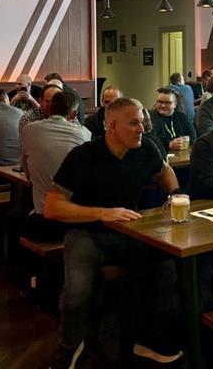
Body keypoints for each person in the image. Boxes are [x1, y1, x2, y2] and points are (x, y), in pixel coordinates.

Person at [44, 98, 183, 368]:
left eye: (142, 122)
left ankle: (144, 339)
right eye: (134, 123)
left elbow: (164, 172)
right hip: (87, 234)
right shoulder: (84, 156)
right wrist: (102, 213)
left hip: (130, 232)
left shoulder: (146, 149)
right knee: (77, 291)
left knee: (165, 268)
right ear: (112, 126)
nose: (141, 129)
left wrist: (176, 194)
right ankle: (70, 347)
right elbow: (52, 207)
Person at [21, 91, 91, 242]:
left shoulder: (29, 130)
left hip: (43, 219)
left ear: (49, 108)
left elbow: (27, 173)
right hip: (75, 220)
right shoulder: (85, 135)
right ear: (74, 114)